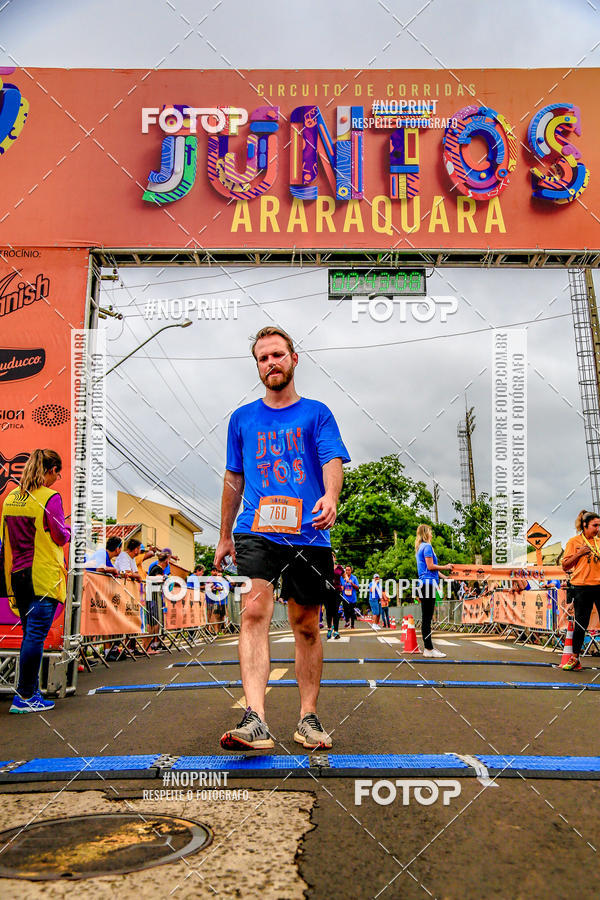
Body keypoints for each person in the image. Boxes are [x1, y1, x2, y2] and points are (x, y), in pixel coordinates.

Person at [215, 325, 350, 751]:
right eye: (262, 358)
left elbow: (332, 458)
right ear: (257, 365)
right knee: (254, 611)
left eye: (277, 355)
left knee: (306, 624)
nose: (270, 363)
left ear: (294, 359)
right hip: (256, 529)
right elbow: (234, 476)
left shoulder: (317, 413)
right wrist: (223, 536)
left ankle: (307, 718)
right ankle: (255, 718)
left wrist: (330, 496)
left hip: (309, 532)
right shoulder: (242, 418)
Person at [0, 449, 70, 713]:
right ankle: (26, 696)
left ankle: (29, 691)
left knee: (29, 635)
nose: (57, 478)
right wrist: (68, 530)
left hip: (17, 575)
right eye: (57, 473)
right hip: (42, 576)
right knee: (35, 637)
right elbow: (59, 536)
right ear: (50, 470)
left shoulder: (11, 497)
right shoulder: (50, 498)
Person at [561, 509, 600, 670]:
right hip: (582, 587)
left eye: (599, 526)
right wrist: (580, 554)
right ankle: (575, 657)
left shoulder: (599, 542)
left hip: (599, 585)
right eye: (595, 525)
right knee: (580, 624)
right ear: (585, 525)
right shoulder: (574, 542)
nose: (597, 529)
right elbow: (565, 565)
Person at [415, 523, 453, 658]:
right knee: (427, 618)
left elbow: (430, 570)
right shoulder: (427, 547)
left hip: (424, 583)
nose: (432, 534)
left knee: (426, 617)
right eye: (430, 532)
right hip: (428, 585)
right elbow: (431, 567)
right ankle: (429, 648)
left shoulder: (420, 547)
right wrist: (446, 566)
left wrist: (445, 577)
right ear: (426, 533)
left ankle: (428, 647)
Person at [145, 550, 169, 652]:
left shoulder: (157, 568)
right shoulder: (157, 568)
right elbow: (156, 578)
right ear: (166, 561)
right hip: (152, 597)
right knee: (153, 620)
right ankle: (152, 643)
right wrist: (165, 578)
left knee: (155, 620)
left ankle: (155, 642)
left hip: (154, 596)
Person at [324, 553, 343, 640]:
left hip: (337, 591)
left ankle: (336, 631)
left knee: (336, 611)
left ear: (335, 558)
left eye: (332, 557)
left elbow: (344, 575)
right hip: (327, 591)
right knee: (328, 611)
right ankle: (329, 629)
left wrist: (346, 580)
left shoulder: (339, 568)